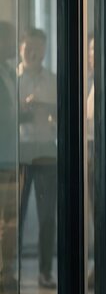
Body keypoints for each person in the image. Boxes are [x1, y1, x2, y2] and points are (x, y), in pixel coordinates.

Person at [17, 28, 58, 289]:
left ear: (45, 50)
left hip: (46, 152)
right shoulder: (13, 80)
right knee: (14, 215)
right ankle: (10, 268)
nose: (33, 52)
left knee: (47, 216)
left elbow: (63, 115)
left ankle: (45, 271)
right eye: (28, 47)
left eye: (38, 48)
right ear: (21, 48)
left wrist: (47, 111)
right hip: (18, 152)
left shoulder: (54, 81)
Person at [0, 21, 18, 292]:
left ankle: (6, 273)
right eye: (10, 39)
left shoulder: (9, 72)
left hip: (12, 156)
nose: (15, 45)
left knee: (11, 217)